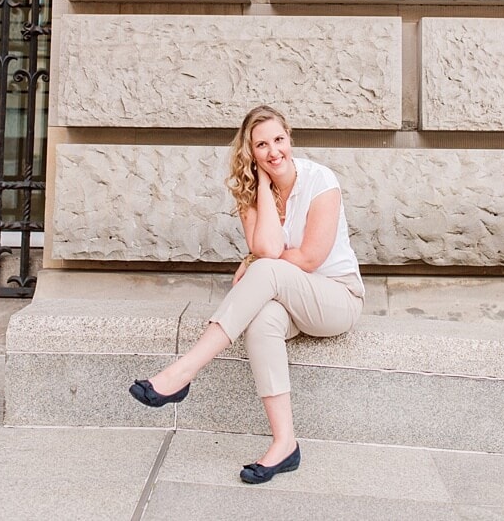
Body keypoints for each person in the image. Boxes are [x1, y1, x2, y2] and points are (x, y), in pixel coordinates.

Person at [129, 104, 365, 484]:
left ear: (290, 139)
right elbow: (269, 247)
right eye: (262, 145)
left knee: (267, 269)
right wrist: (265, 191)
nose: (274, 152)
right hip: (292, 301)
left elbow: (307, 257)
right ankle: (285, 444)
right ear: (251, 153)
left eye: (279, 140)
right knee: (262, 324)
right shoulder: (252, 194)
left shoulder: (322, 182)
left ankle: (184, 370)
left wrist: (255, 262)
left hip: (338, 299)